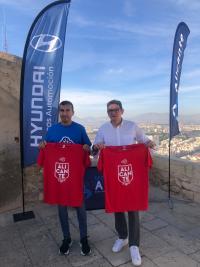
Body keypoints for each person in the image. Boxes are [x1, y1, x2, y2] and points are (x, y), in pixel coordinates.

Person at [93, 100, 155, 266]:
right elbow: (94, 148)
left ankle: (134, 245)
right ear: (107, 113)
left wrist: (149, 143)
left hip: (132, 174)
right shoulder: (103, 129)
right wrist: (97, 146)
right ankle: (122, 237)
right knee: (117, 207)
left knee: (133, 208)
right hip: (114, 176)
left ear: (122, 110)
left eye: (115, 109)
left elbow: (144, 140)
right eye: (110, 110)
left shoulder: (132, 126)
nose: (113, 112)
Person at [39, 100, 92, 256]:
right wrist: (43, 146)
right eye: (62, 110)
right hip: (60, 180)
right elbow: (46, 150)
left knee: (80, 209)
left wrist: (85, 148)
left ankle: (84, 238)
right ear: (59, 113)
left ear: (72, 112)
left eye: (67, 110)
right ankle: (66, 238)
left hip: (75, 180)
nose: (64, 113)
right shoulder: (52, 130)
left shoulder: (80, 129)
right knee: (61, 210)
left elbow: (88, 150)